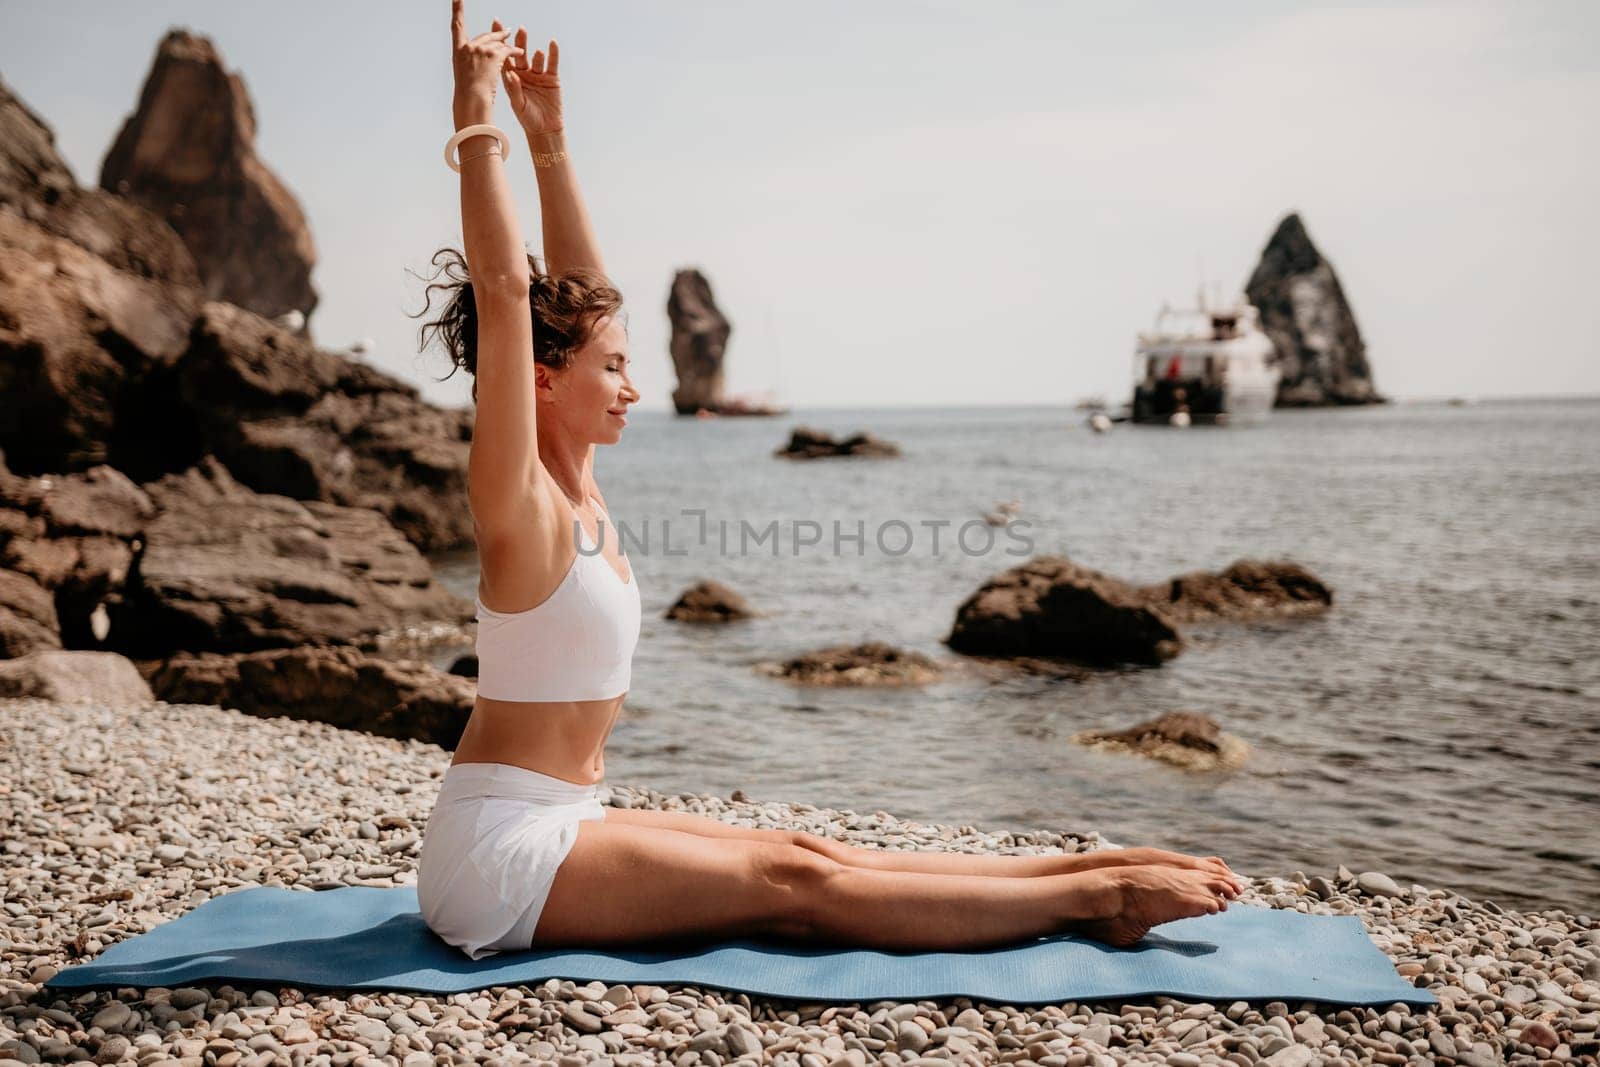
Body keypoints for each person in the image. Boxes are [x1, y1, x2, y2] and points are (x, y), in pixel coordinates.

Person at [413, 0, 1244, 960]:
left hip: (566, 812)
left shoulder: (581, 476)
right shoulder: (522, 502)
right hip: (498, 854)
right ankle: (1098, 901)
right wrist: (475, 109)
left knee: (802, 846)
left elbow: (581, 302)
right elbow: (511, 293)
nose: (636, 386)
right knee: (795, 887)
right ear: (543, 382)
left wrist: (551, 141)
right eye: (613, 369)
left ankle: (1073, 868)